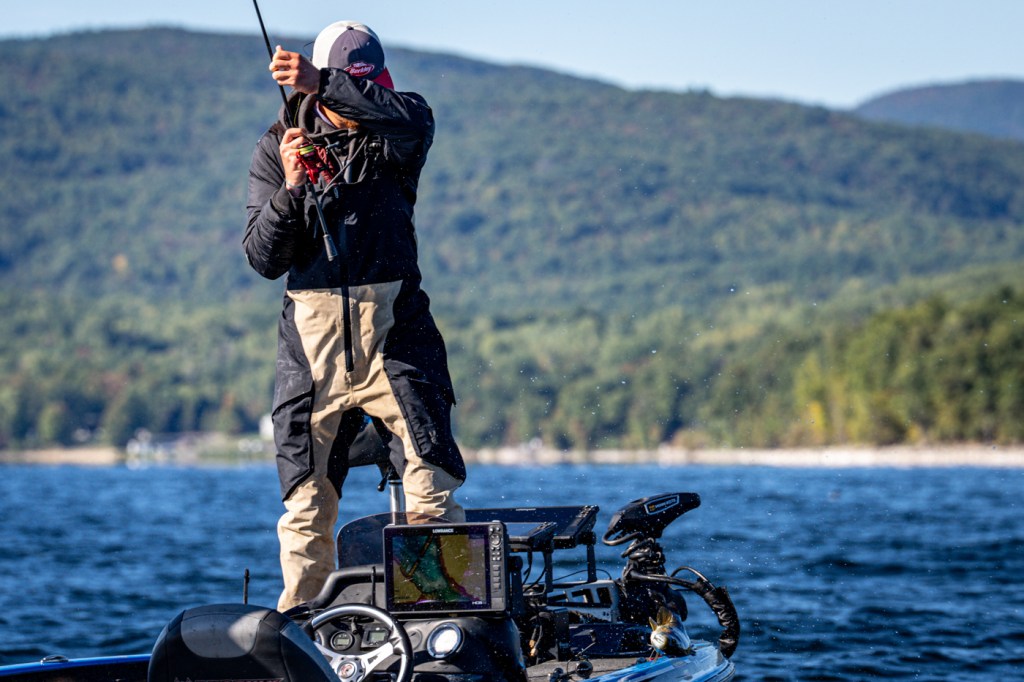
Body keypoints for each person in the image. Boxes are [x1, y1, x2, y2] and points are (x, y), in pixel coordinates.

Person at [244, 20, 466, 612]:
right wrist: (291, 190)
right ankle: (302, 632)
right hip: (311, 354)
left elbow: (409, 118)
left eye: (368, 86)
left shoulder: (400, 129)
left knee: (432, 491)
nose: (361, 100)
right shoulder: (277, 144)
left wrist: (325, 82)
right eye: (348, 87)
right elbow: (263, 259)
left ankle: (442, 623)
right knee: (306, 509)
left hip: (396, 342)